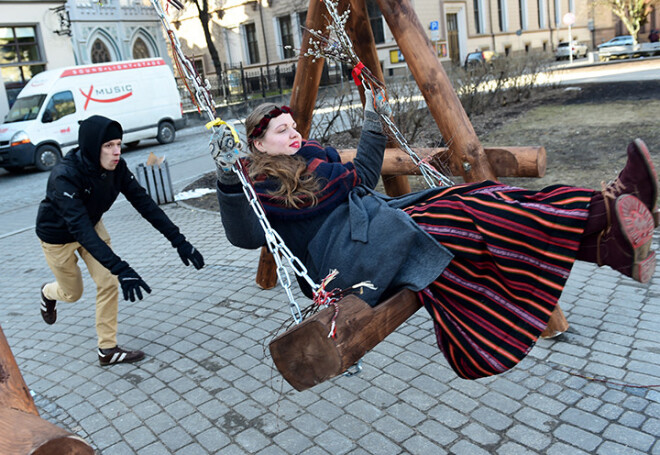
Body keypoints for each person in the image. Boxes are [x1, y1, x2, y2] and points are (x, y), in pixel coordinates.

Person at [214, 93, 657, 380]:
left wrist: (374, 120)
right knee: (459, 210)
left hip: (376, 229)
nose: (294, 133)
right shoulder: (260, 185)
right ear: (257, 144)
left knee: (476, 196)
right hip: (346, 260)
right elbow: (244, 235)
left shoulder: (318, 162)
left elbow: (364, 177)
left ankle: (607, 244)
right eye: (281, 130)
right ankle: (604, 210)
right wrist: (226, 180)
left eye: (294, 126)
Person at [36, 115, 205, 366]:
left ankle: (107, 349)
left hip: (91, 226)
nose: (116, 152)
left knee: (108, 282)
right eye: (108, 146)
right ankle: (47, 293)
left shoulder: (118, 168)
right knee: (72, 293)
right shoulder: (64, 176)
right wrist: (122, 267)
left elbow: (144, 203)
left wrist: (178, 240)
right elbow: (79, 229)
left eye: (118, 144)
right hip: (58, 237)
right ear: (93, 147)